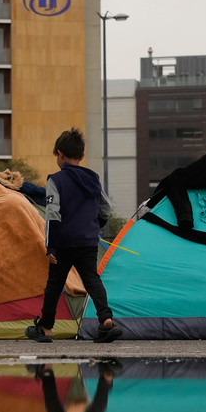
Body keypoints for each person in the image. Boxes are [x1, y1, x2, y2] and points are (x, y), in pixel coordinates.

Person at [25, 127, 122, 344]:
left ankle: (46, 329)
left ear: (60, 153)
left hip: (64, 242)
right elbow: (105, 208)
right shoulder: (93, 178)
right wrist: (94, 228)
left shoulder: (56, 180)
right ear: (82, 155)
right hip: (88, 241)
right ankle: (106, 321)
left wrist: (51, 247)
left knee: (55, 284)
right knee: (92, 280)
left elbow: (52, 215)